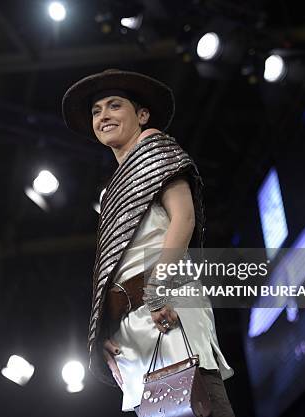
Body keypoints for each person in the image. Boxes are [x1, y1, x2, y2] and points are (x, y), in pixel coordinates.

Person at [62, 69, 235, 416]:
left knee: (203, 404)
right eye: (96, 111)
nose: (104, 116)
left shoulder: (154, 147)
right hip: (132, 326)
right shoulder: (112, 186)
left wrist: (158, 289)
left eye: (114, 105)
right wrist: (105, 330)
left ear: (142, 115)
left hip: (166, 305)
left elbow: (183, 218)